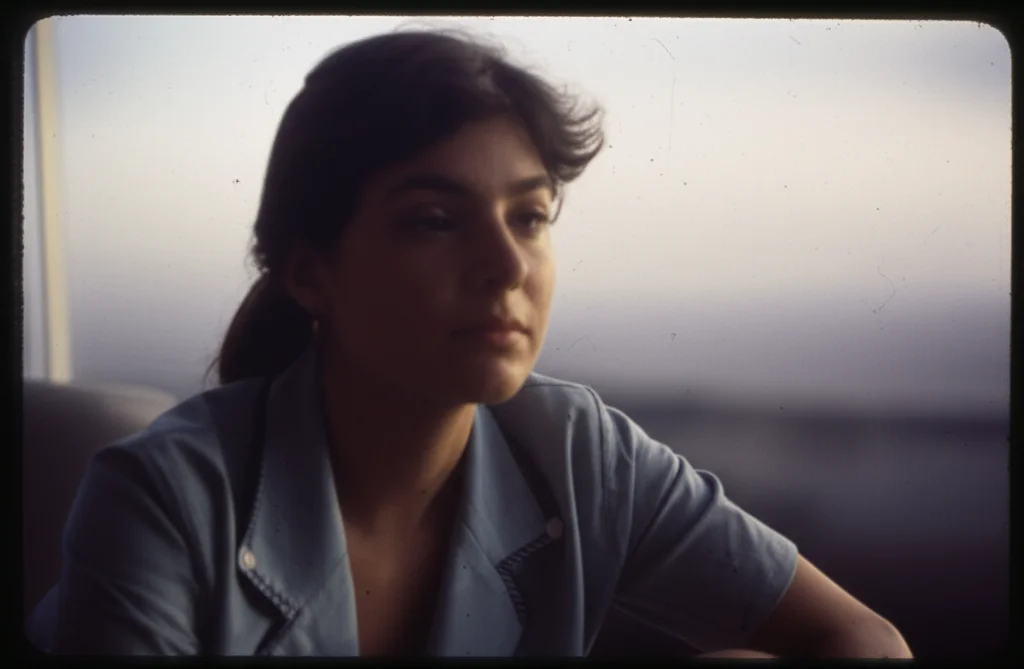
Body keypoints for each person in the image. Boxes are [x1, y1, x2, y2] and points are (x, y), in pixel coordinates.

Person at [29, 28, 912, 658]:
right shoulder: (164, 499)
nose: (505, 265)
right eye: (434, 220)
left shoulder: (579, 451)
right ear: (310, 273)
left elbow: (862, 635)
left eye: (529, 216)